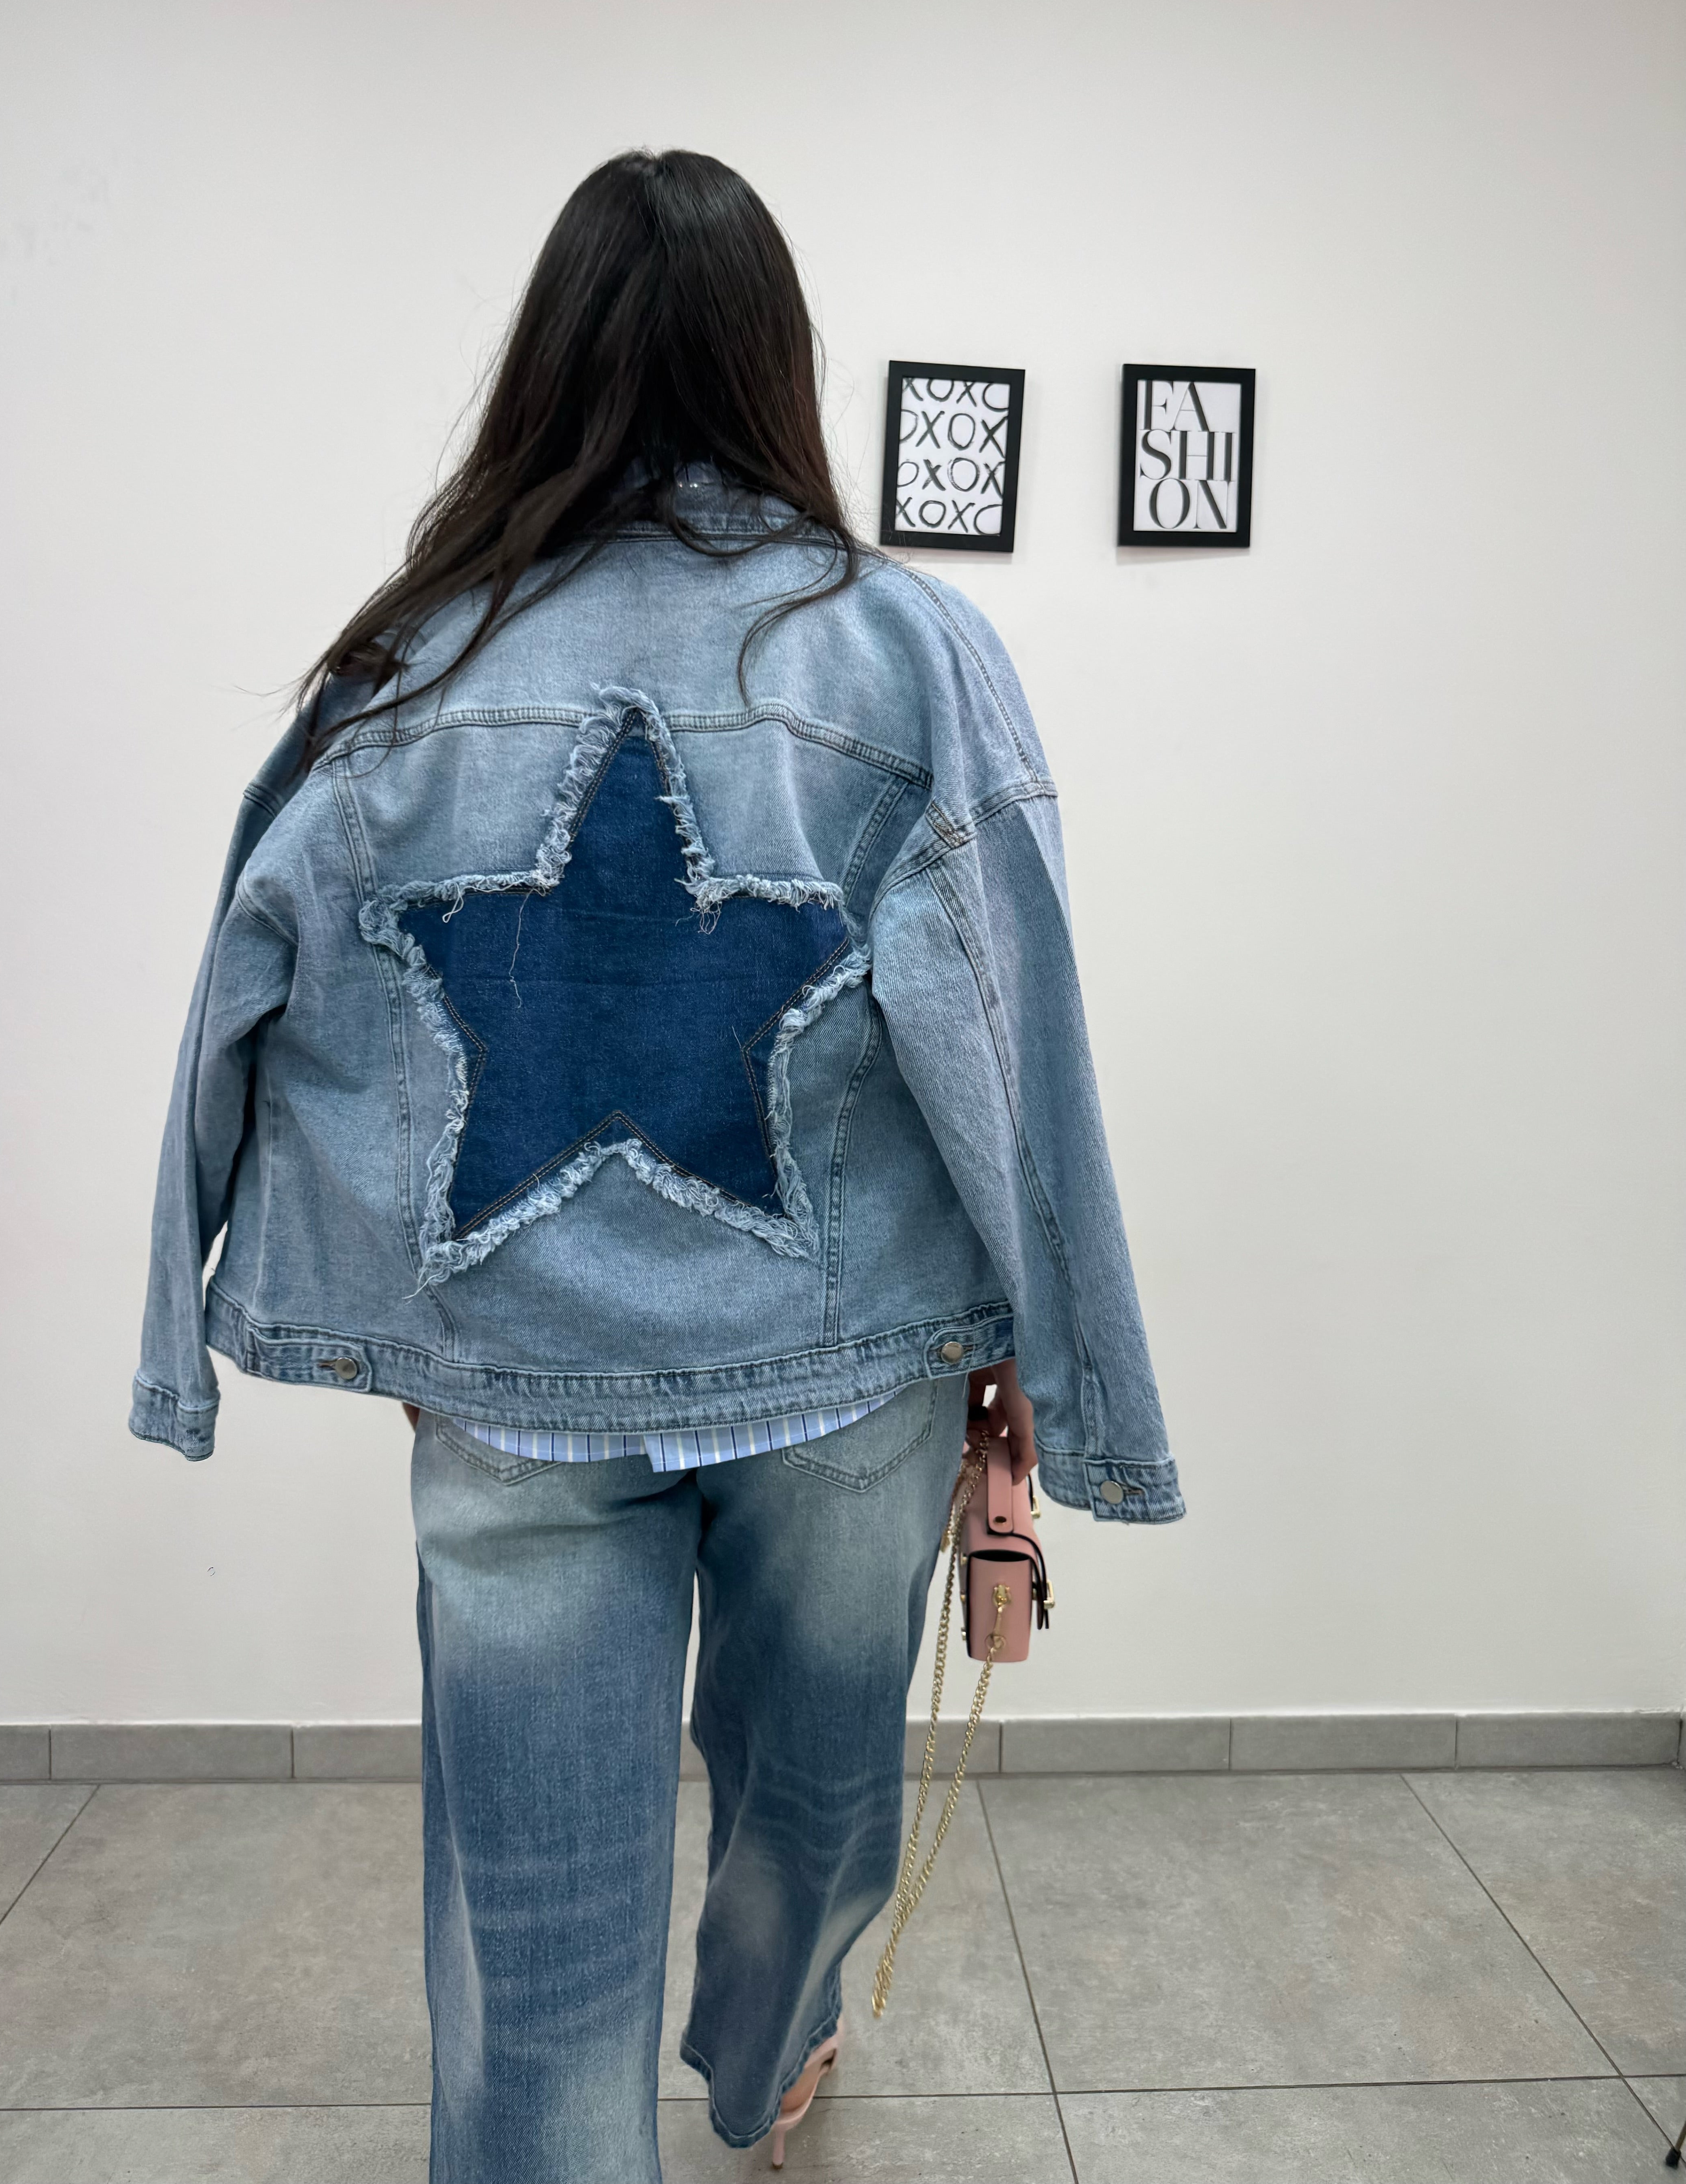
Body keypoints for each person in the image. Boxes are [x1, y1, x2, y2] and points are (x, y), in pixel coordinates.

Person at [131, 148, 1182, 2183]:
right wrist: (1070, 1372)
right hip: (848, 1378)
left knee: (531, 1944)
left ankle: (662, 2096)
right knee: (817, 1810)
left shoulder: (408, 666)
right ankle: (768, 2060)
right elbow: (1014, 1032)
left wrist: (222, 1328)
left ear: (548, 360)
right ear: (778, 362)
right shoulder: (904, 650)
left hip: (516, 1388)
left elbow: (249, 991)